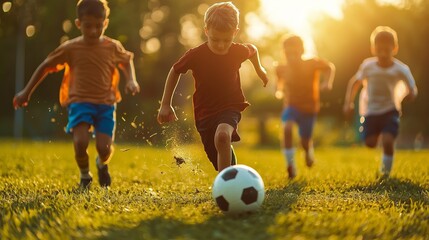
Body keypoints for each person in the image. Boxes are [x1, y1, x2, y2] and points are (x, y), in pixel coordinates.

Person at [13, 0, 140, 189]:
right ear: (79, 24)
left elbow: (126, 60)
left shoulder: (112, 46)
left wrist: (131, 79)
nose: (93, 31)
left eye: (98, 26)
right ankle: (84, 176)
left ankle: (101, 164)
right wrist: (26, 91)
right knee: (80, 142)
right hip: (79, 102)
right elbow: (46, 66)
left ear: (105, 23)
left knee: (104, 149)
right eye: (88, 26)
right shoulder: (70, 48)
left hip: (106, 103)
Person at [157, 1, 269, 172]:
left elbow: (252, 50)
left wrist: (259, 69)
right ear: (206, 31)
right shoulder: (196, 55)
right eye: (215, 39)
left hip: (230, 106)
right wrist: (166, 104)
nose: (221, 45)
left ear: (235, 33)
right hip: (205, 113)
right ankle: (231, 172)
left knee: (223, 136)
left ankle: (225, 184)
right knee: (217, 155)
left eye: (227, 40)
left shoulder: (237, 51)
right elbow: (175, 70)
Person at [343, 26, 417, 178]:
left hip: (391, 110)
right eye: (379, 49)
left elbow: (413, 88)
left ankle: (385, 173)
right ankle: (375, 137)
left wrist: (411, 95)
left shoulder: (401, 69)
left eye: (387, 50)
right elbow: (354, 83)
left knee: (388, 140)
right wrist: (348, 103)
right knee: (370, 143)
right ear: (373, 49)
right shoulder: (367, 66)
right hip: (370, 111)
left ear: (394, 48)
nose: (383, 53)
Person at [275, 35, 335, 179]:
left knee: (305, 141)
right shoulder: (281, 68)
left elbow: (329, 67)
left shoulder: (311, 63)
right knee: (287, 128)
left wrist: (327, 82)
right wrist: (278, 89)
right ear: (284, 53)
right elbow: (279, 82)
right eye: (288, 54)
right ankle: (290, 165)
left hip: (309, 108)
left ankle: (308, 152)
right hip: (291, 106)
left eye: (295, 53)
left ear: (302, 51)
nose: (292, 57)